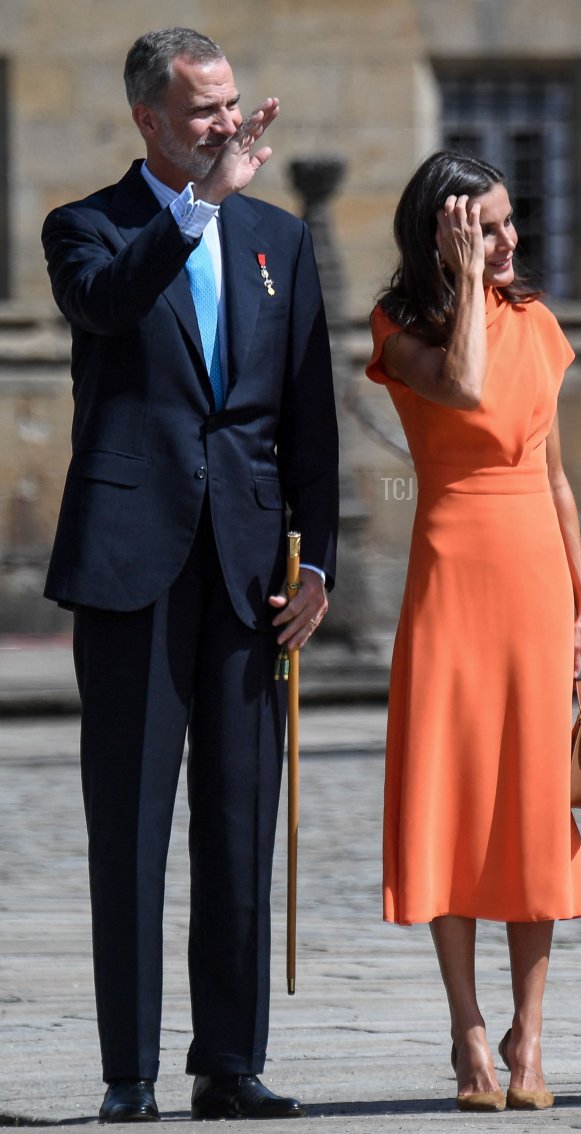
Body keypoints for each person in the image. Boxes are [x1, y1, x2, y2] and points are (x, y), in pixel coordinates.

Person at [41, 27, 339, 1123]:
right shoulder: (87, 228)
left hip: (250, 569)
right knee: (130, 826)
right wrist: (200, 205)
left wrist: (327, 567)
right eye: (201, 109)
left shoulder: (281, 241)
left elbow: (308, 415)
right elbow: (108, 303)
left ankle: (231, 1061)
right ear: (149, 121)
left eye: (229, 103)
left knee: (238, 818)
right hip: (132, 568)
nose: (225, 122)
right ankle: (131, 1074)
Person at [365, 151, 581, 1113]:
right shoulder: (401, 326)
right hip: (452, 578)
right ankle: (469, 1033)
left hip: (536, 578)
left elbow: (552, 477)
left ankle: (530, 1038)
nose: (507, 243)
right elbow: (462, 389)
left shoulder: (537, 324)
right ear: (442, 234)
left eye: (509, 225)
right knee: (454, 799)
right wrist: (463, 283)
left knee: (534, 809)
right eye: (485, 228)